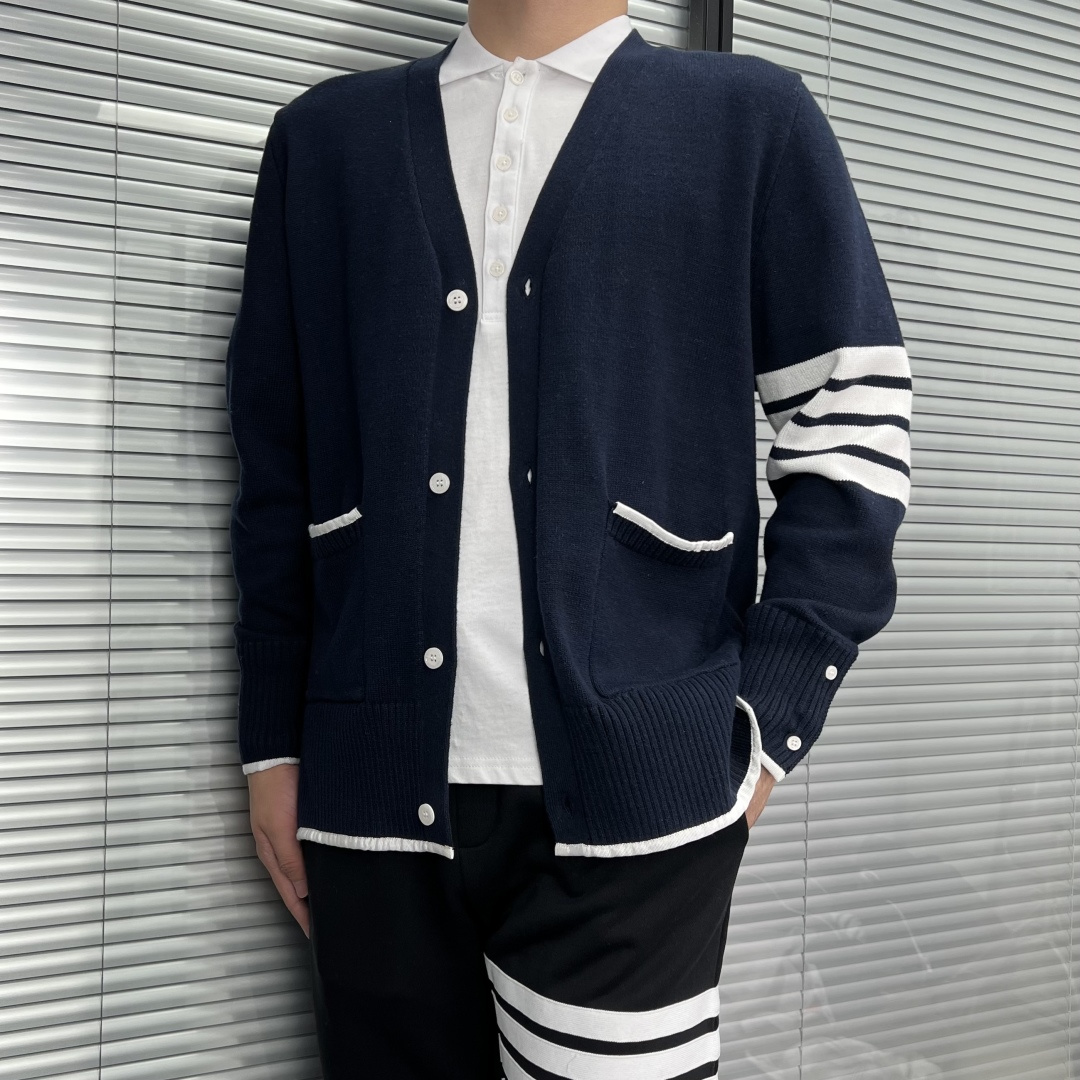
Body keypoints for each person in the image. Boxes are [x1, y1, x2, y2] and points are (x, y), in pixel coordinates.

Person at [225, 0, 912, 1075]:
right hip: (370, 801)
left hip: (640, 812)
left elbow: (851, 419)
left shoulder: (747, 120)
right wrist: (274, 742)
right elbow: (279, 465)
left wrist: (767, 723)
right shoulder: (326, 141)